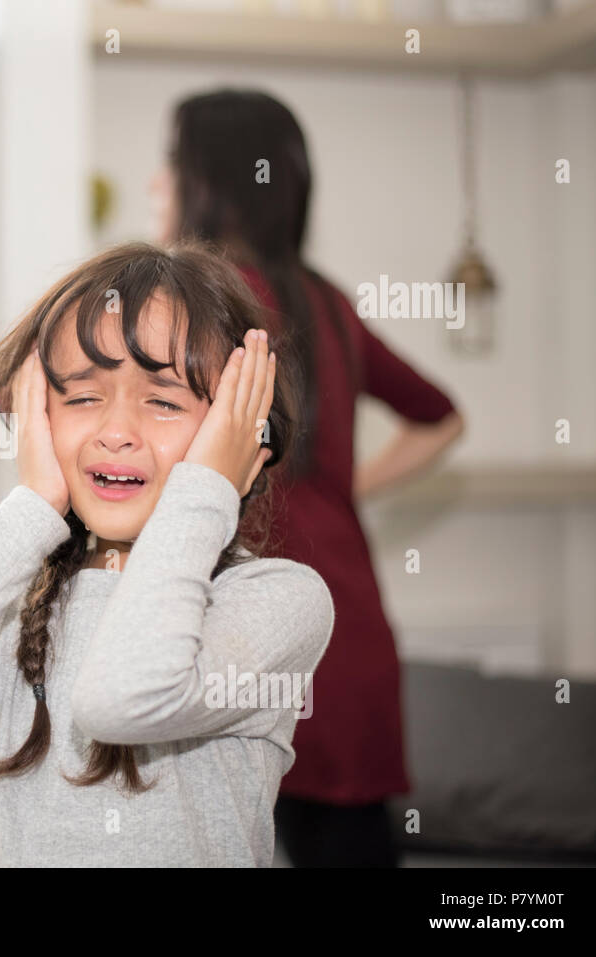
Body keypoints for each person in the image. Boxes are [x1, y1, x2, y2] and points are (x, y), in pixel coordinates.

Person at [0, 241, 335, 866]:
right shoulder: (18, 590)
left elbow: (123, 699)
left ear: (242, 440)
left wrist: (206, 488)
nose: (115, 431)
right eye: (81, 397)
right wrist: (31, 510)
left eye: (163, 401)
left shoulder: (277, 600)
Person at [149, 88, 466, 866]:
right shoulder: (329, 305)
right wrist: (343, 489)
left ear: (207, 183)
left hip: (255, 642)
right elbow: (443, 417)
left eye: (169, 166)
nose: (155, 185)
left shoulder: (202, 306)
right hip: (344, 637)